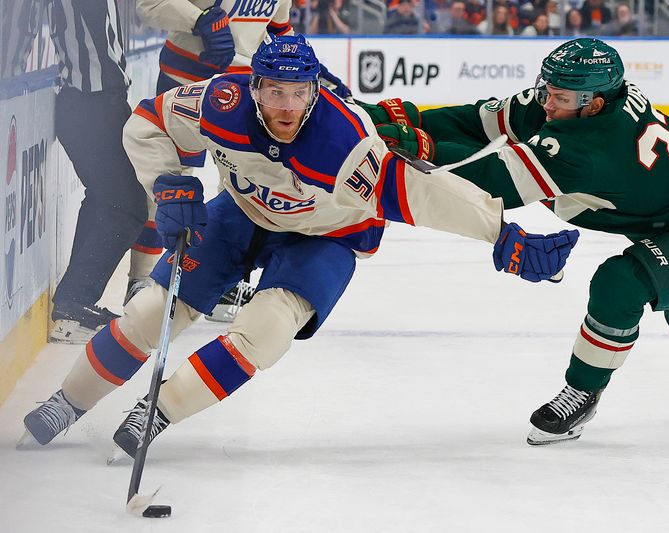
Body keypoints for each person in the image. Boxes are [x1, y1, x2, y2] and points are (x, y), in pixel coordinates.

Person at [19, 34, 579, 452]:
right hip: (240, 215)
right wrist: (169, 184)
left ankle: (158, 412)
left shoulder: (344, 145)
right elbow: (149, 121)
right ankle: (69, 401)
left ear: (315, 92)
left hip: (326, 235)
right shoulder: (222, 103)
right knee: (149, 310)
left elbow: (423, 192)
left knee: (264, 330)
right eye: (275, 91)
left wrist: (502, 235)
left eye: (299, 93)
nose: (286, 106)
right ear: (253, 86)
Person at [367, 38, 669, 444]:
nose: (547, 104)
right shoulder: (574, 100)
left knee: (622, 282)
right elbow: (477, 121)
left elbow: (491, 179)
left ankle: (583, 393)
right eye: (547, 90)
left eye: (560, 98)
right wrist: (394, 118)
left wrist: (424, 146)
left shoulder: (592, 148)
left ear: (596, 103)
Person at [131, 0, 351, 319]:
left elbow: (277, 31)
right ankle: (143, 278)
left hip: (244, 86)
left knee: (240, 183)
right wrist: (200, 19)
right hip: (189, 82)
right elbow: (151, 5)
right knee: (171, 184)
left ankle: (219, 281)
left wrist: (309, 69)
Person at [44, 0, 149, 343]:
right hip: (91, 103)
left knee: (108, 200)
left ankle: (75, 303)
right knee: (128, 205)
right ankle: (73, 306)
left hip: (99, 102)